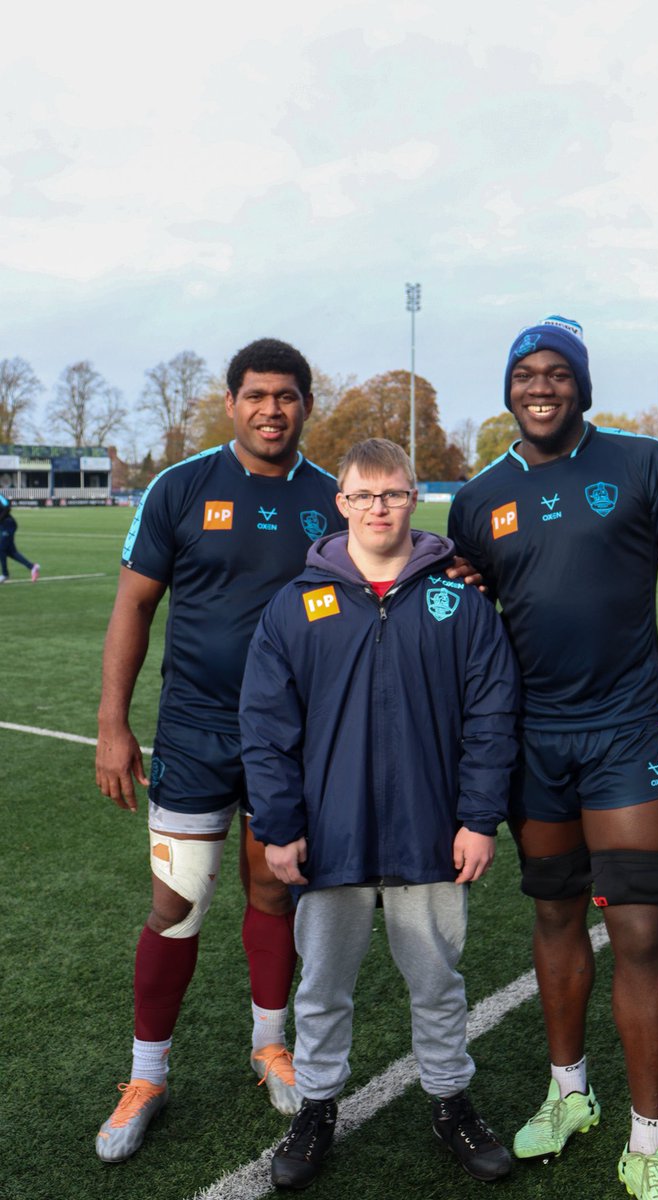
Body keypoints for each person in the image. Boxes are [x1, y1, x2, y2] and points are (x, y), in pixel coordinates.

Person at [447, 316, 658, 1200]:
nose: (540, 387)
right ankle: (568, 1093)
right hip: (532, 745)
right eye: (525, 375)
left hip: (624, 734)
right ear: (509, 388)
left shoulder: (643, 465)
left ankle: (648, 1143)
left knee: (640, 932)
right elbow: (464, 621)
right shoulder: (479, 499)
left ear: (580, 384)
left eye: (557, 373)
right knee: (553, 920)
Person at [239, 438, 520, 1189]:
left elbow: (492, 716)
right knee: (323, 985)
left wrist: (478, 818)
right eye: (363, 496)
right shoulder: (298, 605)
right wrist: (279, 825)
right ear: (342, 503)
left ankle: (451, 1103)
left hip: (431, 834)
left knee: (437, 983)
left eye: (392, 493)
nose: (378, 508)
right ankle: (318, 1106)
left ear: (413, 496)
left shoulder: (457, 602)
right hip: (330, 838)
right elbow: (266, 726)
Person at [93, 338, 348, 1163]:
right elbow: (134, 604)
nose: (272, 409)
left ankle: (270, 1045)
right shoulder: (182, 487)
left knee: (276, 898)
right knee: (177, 908)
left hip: (294, 739)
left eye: (287, 395)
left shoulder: (329, 496)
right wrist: (113, 723)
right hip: (196, 734)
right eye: (257, 394)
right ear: (231, 402)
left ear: (307, 404)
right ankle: (146, 1075)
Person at [0, 495, 40, 582]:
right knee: (11, 552)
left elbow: (7, 507)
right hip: (2, 526)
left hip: (8, 524)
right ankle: (32, 567)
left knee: (1, 549)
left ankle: (5, 574)